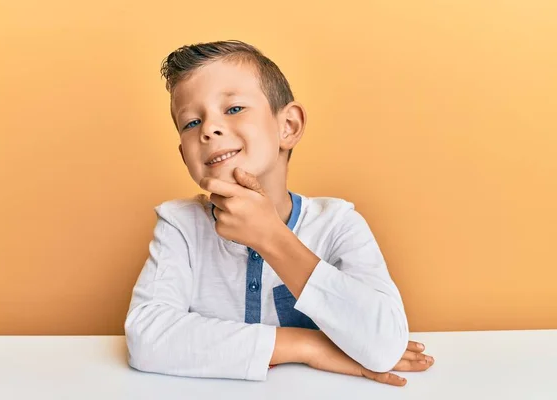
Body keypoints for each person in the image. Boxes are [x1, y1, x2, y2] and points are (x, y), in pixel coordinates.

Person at [124, 40, 434, 386]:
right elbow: (146, 337)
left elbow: (385, 346)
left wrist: (271, 237)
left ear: (288, 126)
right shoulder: (180, 224)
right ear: (186, 156)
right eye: (192, 122)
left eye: (234, 108)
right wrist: (308, 346)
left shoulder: (337, 224)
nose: (209, 129)